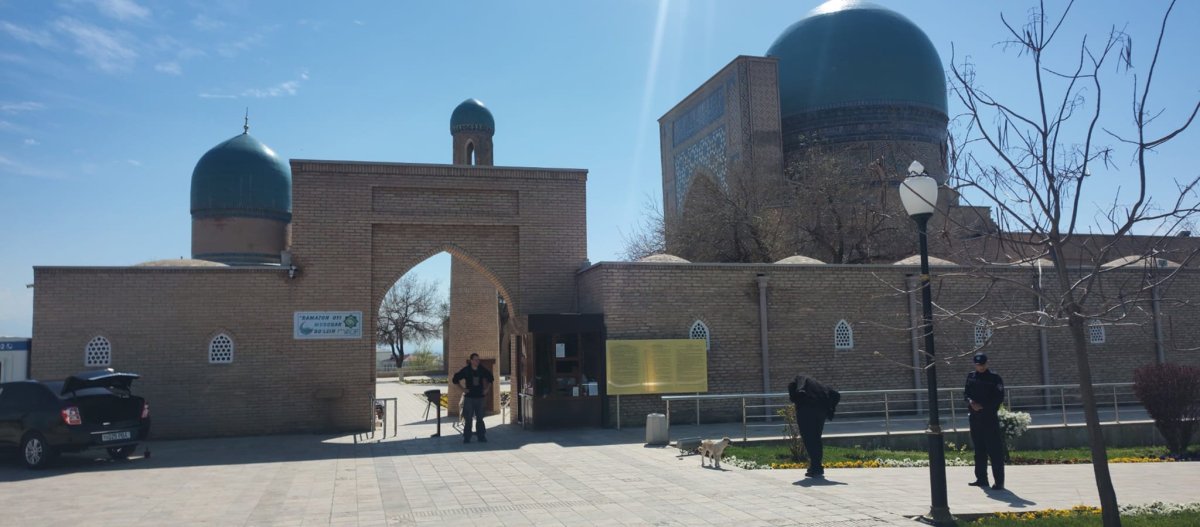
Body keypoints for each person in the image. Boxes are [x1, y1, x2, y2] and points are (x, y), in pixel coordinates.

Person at [965, 353, 1006, 490]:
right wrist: (971, 402)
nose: (980, 367)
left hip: (989, 418)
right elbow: (966, 393)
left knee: (994, 451)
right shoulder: (971, 376)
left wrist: (983, 406)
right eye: (977, 365)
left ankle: (999, 482)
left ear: (987, 363)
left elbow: (998, 398)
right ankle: (981, 479)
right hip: (975, 418)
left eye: (982, 364)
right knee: (979, 450)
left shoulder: (994, 378)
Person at [787, 374, 840, 478]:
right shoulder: (819, 385)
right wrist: (831, 409)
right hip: (821, 412)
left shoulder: (798, 381)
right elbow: (836, 395)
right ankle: (816, 466)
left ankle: (816, 467)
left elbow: (796, 394)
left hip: (806, 412)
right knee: (816, 439)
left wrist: (798, 399)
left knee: (809, 440)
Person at [452, 353, 493, 443]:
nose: (477, 361)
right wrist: (462, 389)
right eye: (475, 360)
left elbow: (491, 378)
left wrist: (487, 389)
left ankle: (481, 436)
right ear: (471, 361)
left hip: (480, 398)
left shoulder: (482, 369)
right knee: (468, 418)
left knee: (480, 418)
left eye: (478, 360)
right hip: (469, 398)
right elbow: (455, 379)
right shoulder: (466, 370)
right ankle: (467, 437)